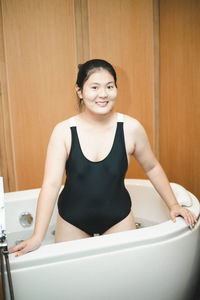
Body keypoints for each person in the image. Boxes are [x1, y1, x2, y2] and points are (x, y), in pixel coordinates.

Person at [9, 59, 197, 256]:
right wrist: (37, 236)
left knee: (123, 279)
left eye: (110, 86)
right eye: (94, 87)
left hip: (118, 218)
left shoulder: (131, 128)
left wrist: (174, 205)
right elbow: (51, 185)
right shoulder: (63, 131)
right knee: (76, 282)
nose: (103, 94)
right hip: (72, 220)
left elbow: (152, 167)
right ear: (79, 91)